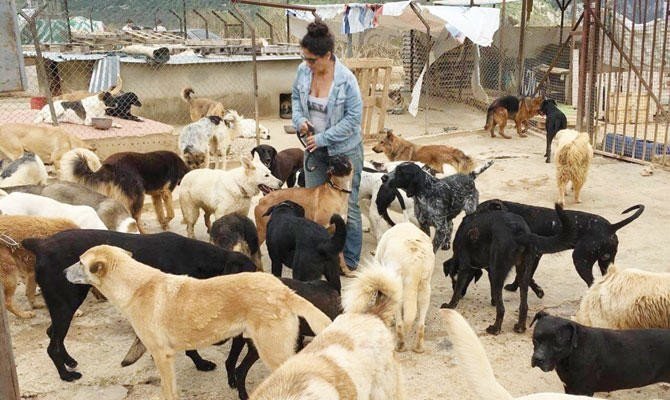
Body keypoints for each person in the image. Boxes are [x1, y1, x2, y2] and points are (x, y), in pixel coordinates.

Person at [291, 20, 363, 272]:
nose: (307, 64)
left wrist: (322, 138)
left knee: (348, 208)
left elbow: (354, 119)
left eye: (312, 60)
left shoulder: (346, 80)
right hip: (314, 149)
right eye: (305, 59)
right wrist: (300, 121)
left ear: (328, 56)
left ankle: (350, 261)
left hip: (342, 149)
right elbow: (296, 102)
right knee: (313, 205)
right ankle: (319, 258)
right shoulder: (303, 72)